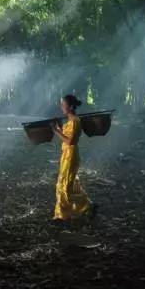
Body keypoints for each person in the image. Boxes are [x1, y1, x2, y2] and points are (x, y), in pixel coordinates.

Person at [51, 94, 94, 223]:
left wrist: (55, 131)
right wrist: (59, 127)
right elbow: (66, 137)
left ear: (70, 107)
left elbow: (70, 141)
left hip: (71, 156)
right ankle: (63, 214)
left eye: (63, 105)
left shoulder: (75, 121)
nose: (61, 107)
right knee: (64, 184)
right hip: (66, 155)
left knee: (64, 187)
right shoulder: (70, 121)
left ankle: (85, 206)